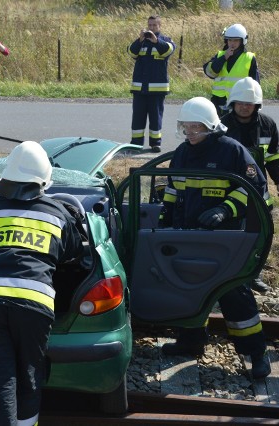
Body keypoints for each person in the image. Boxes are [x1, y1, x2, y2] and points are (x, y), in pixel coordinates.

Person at [0, 141, 84, 425]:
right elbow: (73, 251)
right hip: (35, 305)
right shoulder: (57, 213)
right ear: (44, 180)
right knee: (28, 379)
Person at [159, 97, 270, 379]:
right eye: (186, 127)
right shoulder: (183, 152)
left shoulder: (232, 151)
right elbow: (173, 188)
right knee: (187, 288)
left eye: (195, 128)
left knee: (234, 293)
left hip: (225, 240)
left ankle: (256, 353)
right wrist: (166, 216)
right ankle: (190, 342)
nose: (189, 133)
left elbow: (256, 190)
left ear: (210, 127)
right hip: (189, 236)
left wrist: (225, 208)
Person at [222, 77, 279, 293]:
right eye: (240, 102)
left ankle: (254, 275)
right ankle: (230, 278)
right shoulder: (221, 125)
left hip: (257, 191)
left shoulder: (268, 125)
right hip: (227, 192)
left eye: (249, 103)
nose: (244, 107)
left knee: (260, 235)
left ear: (257, 105)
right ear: (233, 103)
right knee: (231, 233)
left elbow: (273, 158)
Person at [127, 15, 176, 152]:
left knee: (156, 118)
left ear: (160, 26)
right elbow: (131, 52)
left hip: (157, 90)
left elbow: (168, 50)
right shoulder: (141, 42)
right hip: (139, 89)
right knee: (138, 117)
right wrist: (139, 39)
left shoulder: (166, 40)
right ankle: (136, 143)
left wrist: (156, 41)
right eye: (150, 25)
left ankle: (155, 143)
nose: (152, 28)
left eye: (154, 25)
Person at [203, 24, 260, 117]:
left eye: (236, 40)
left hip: (239, 102)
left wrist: (254, 105)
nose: (232, 43)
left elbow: (255, 84)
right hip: (219, 101)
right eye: (230, 40)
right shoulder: (220, 55)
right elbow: (210, 73)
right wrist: (224, 58)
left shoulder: (249, 58)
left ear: (242, 41)